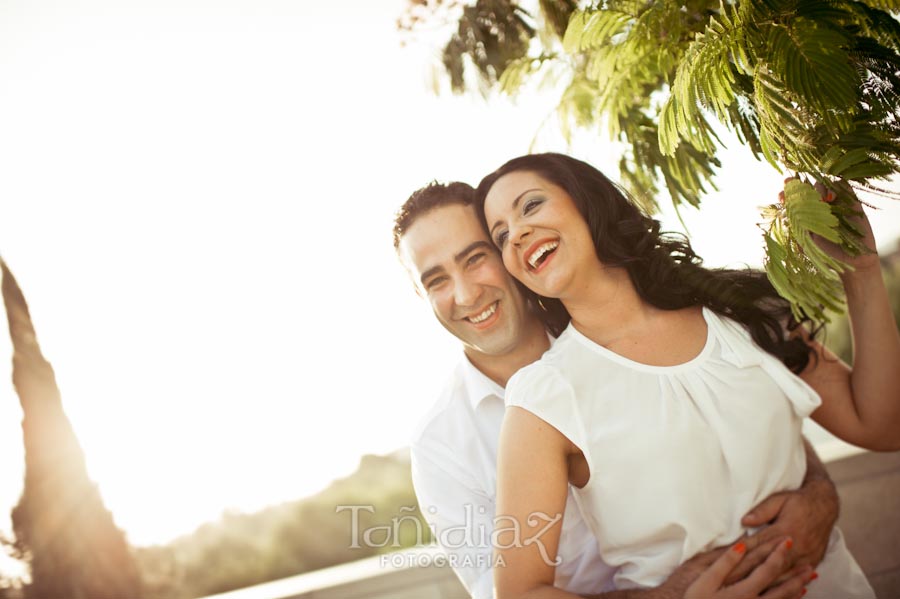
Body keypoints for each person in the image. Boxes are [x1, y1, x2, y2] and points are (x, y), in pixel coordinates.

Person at [476, 153, 900, 598]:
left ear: (587, 200)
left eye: (530, 206)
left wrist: (862, 271)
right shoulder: (542, 397)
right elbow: (519, 592)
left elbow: (881, 425)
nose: (517, 234)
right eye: (501, 236)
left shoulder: (741, 310)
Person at [393, 181, 840, 598]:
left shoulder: (619, 324)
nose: (466, 293)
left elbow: (746, 416)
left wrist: (820, 494)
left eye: (475, 258)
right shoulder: (440, 446)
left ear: (508, 250)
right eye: (436, 280)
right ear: (419, 295)